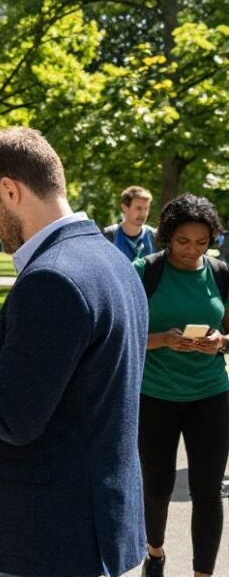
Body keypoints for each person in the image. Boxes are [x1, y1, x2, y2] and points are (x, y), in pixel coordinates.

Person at [0, 126, 146, 577]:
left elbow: (12, 417)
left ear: (10, 190)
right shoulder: (111, 260)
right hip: (96, 525)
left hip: (49, 536)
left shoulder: (51, 278)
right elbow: (77, 380)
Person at [132, 194, 229, 577]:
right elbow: (118, 333)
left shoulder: (221, 274)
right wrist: (161, 339)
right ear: (168, 236)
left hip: (211, 395)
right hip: (155, 395)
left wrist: (220, 343)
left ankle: (203, 573)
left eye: (202, 242)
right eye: (184, 241)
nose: (193, 250)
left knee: (208, 493)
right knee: (158, 488)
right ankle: (155, 553)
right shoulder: (144, 271)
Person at [103, 185, 157, 260]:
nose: (143, 214)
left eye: (146, 209)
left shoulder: (154, 236)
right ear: (124, 208)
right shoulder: (109, 236)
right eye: (138, 208)